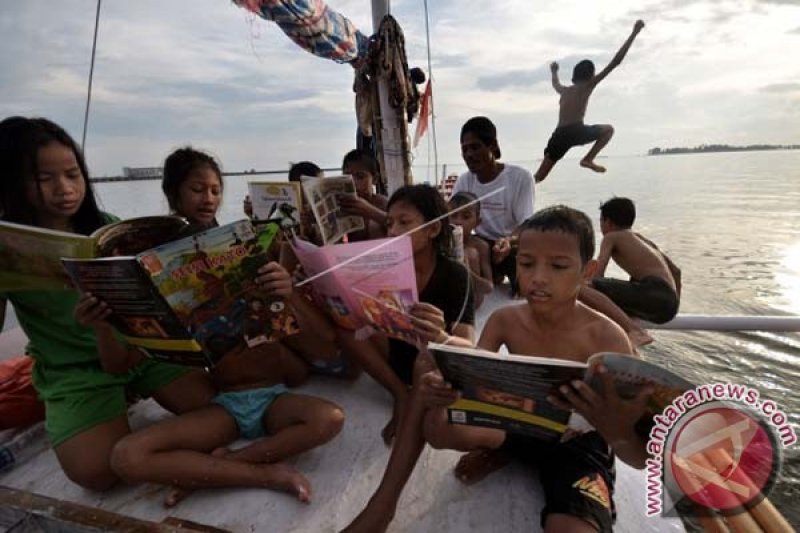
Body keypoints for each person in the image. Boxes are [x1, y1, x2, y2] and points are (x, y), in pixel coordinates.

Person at [343, 206, 652, 533]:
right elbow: (477, 372)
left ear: (587, 271)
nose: (538, 278)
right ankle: (383, 506)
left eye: (558, 266)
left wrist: (614, 428)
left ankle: (504, 456)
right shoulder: (507, 319)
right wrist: (443, 377)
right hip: (516, 424)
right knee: (434, 404)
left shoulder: (607, 338)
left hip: (576, 448)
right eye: (526, 263)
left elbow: (639, 457)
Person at [0, 116, 215, 491]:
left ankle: (142, 442)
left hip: (135, 350)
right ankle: (128, 434)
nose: (65, 189)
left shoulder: (104, 226)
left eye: (72, 173)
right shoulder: (9, 247)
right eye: (44, 178)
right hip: (73, 368)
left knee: (210, 405)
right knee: (95, 474)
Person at [336, 184, 475, 445]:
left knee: (428, 354)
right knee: (345, 327)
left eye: (403, 223)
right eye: (389, 224)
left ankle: (411, 397)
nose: (392, 232)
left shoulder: (455, 275)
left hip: (429, 367)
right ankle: (400, 394)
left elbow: (468, 345)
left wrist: (441, 334)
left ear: (433, 229)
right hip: (393, 357)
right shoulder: (382, 267)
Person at [534, 20, 645, 183]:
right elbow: (615, 62)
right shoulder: (588, 85)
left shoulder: (564, 91)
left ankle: (511, 190)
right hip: (577, 131)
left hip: (559, 135)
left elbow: (555, 84)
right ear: (590, 75)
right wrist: (634, 33)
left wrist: (554, 71)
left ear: (575, 75)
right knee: (609, 130)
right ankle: (588, 159)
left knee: (538, 177)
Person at [579, 197, 681, 347]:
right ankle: (628, 331)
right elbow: (676, 272)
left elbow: (597, 275)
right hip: (670, 305)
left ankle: (633, 330)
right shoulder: (641, 239)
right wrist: (674, 305)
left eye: (601, 222)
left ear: (607, 222)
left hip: (654, 291)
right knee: (615, 290)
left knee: (582, 286)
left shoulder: (611, 237)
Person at [451, 116, 535, 295]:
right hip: (481, 245)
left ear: (493, 146)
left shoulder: (520, 177)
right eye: (464, 149)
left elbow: (527, 223)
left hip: (510, 244)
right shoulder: (464, 181)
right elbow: (450, 217)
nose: (469, 155)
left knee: (523, 288)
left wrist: (507, 241)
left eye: (475, 147)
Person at [448, 191, 494, 309]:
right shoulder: (441, 244)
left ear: (477, 222)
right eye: (453, 215)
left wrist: (465, 272)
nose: (458, 221)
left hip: (472, 301)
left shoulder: (480, 246)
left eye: (466, 217)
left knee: (470, 253)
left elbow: (488, 287)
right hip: (449, 300)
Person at [162, 147, 224, 228]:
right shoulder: (159, 238)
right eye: (197, 189)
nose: (209, 200)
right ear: (172, 193)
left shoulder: (217, 230)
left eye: (215, 191)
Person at [338, 148, 388, 241]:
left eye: (360, 177)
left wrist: (370, 211)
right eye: (347, 177)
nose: (352, 182)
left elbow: (400, 227)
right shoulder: (344, 205)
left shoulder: (383, 203)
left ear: (375, 179)